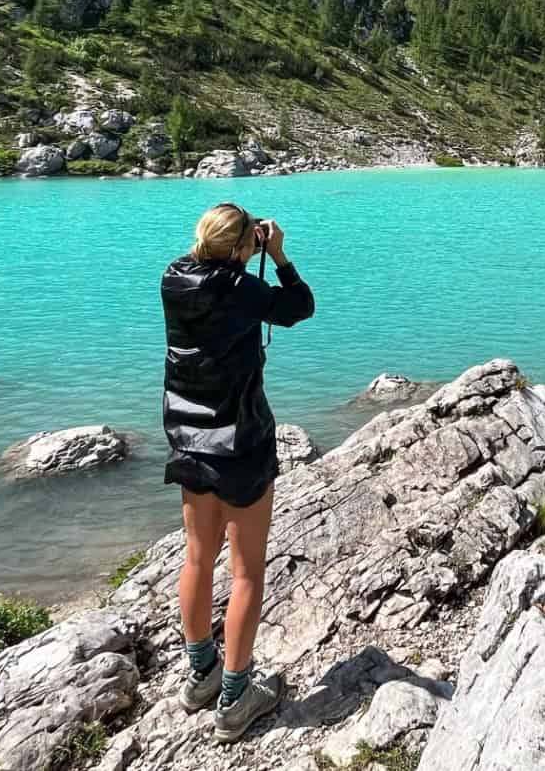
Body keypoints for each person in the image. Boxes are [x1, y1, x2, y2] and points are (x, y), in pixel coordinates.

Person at [160, 202, 315, 742]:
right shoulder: (242, 288)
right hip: (241, 441)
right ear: (243, 248)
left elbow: (217, 280)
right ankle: (235, 697)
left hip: (186, 435)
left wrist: (244, 247)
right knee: (247, 571)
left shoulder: (174, 277)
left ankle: (200, 674)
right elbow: (299, 307)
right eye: (250, 239)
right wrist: (279, 255)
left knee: (198, 559)